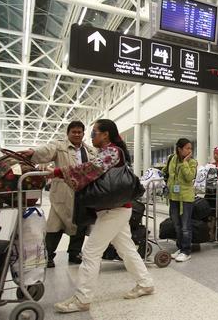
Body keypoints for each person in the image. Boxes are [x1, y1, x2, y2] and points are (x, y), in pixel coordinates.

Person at [51, 119, 154, 313]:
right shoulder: (108, 152)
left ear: (105, 134)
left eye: (94, 133)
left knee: (90, 252)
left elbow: (89, 169)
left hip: (114, 211)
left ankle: (82, 298)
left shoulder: (112, 151)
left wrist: (56, 172)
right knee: (127, 249)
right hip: (117, 209)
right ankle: (145, 283)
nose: (91, 136)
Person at [19, 121, 96, 267]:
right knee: (55, 225)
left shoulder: (89, 150)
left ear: (83, 133)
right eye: (74, 131)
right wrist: (33, 152)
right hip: (63, 192)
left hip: (84, 192)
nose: (77, 134)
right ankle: (48, 255)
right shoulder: (59, 146)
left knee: (80, 223)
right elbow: (46, 151)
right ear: (68, 133)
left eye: (80, 132)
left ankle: (74, 253)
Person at [162, 138, 198, 263]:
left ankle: (186, 251)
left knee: (185, 226)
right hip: (173, 197)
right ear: (179, 149)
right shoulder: (171, 159)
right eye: (187, 148)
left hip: (186, 198)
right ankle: (180, 247)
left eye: (190, 148)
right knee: (177, 225)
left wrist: (185, 162)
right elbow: (166, 172)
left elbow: (189, 177)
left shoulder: (192, 162)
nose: (190, 151)